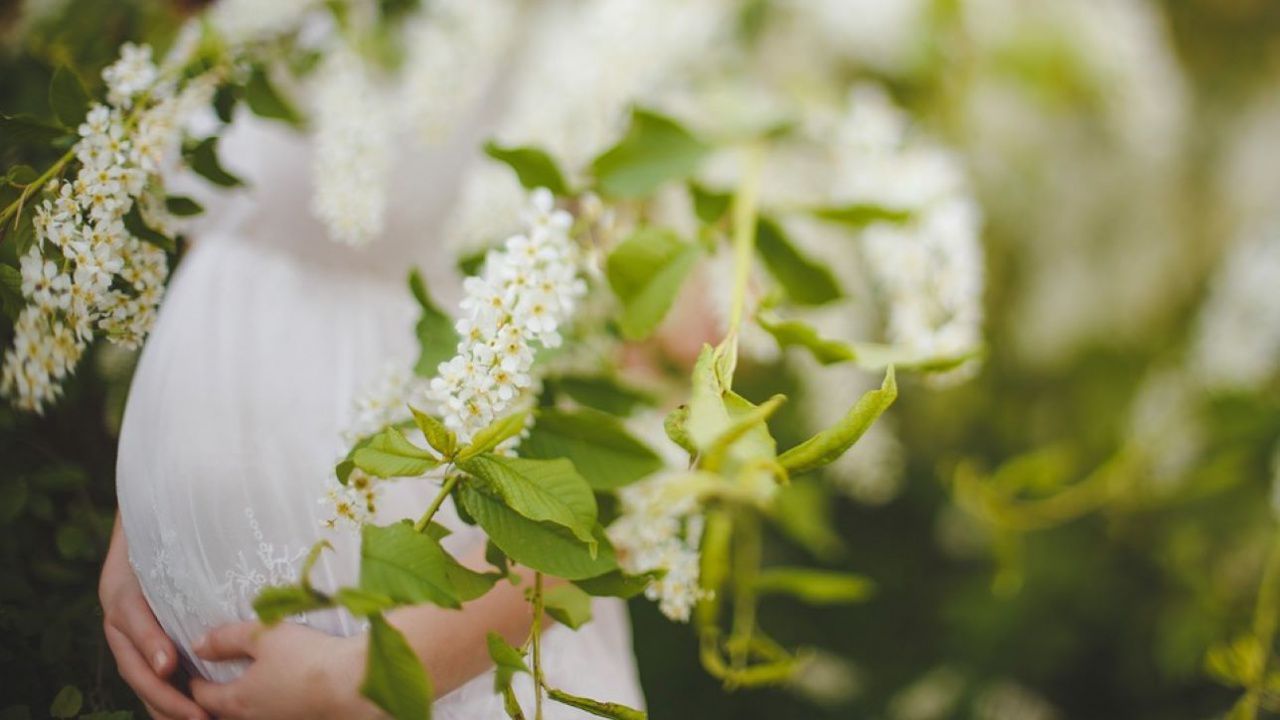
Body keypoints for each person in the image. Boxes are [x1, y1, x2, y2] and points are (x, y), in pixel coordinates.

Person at [96, 49, 645, 720]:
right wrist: (139, 548)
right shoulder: (248, 27)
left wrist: (367, 678)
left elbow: (651, 438)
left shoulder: (595, 32)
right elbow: (224, 228)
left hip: (442, 685)